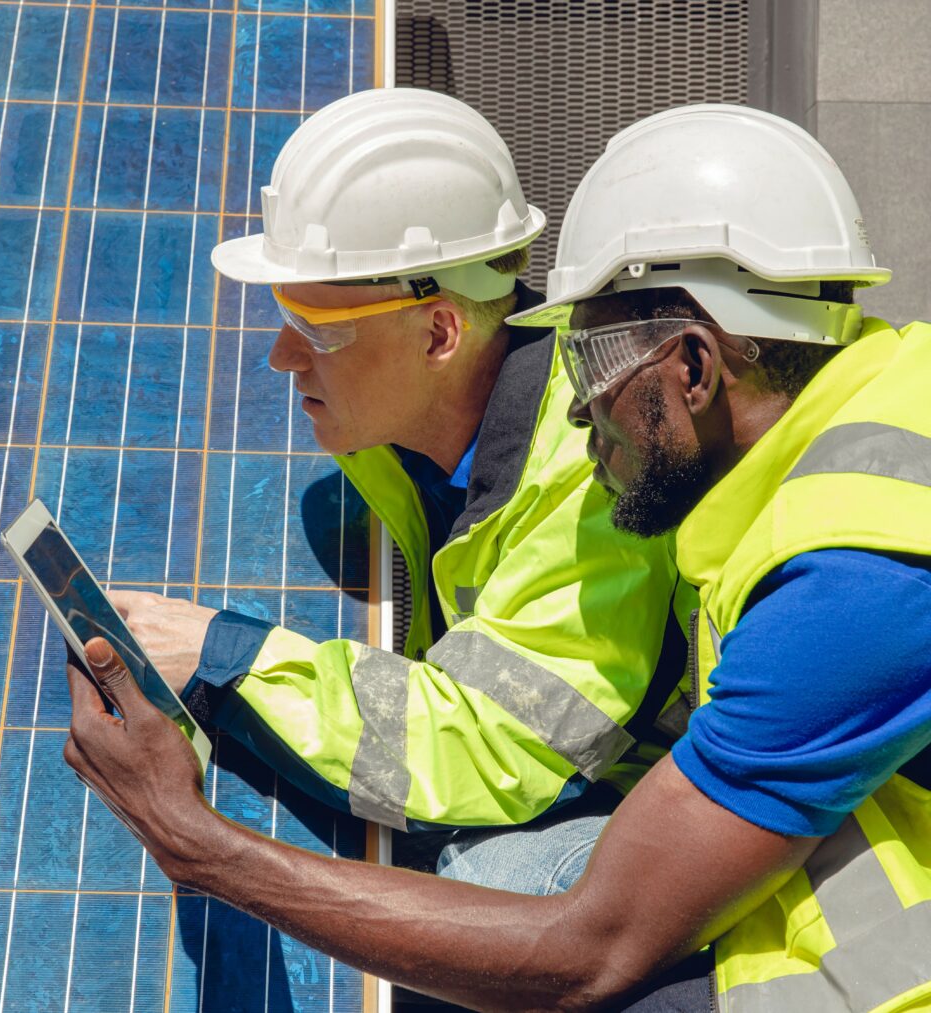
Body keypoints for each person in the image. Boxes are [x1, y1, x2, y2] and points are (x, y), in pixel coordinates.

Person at [65, 103, 931, 1011]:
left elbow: (586, 952)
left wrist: (195, 841)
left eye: (591, 367)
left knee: (492, 906)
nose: (571, 406)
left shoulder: (852, 584)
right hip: (838, 822)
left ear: (694, 367)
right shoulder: (852, 433)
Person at [103, 87, 682, 893]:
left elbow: (498, 751)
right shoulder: (415, 424)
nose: (279, 356)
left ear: (440, 332)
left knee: (487, 880)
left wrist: (232, 655)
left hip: (661, 811)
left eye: (316, 328)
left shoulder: (593, 481)